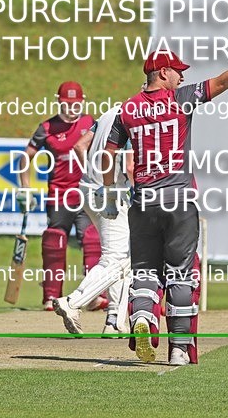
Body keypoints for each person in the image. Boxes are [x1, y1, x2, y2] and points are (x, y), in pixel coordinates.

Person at [99, 48, 228, 365]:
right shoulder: (181, 98)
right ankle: (178, 349)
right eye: (177, 70)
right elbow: (224, 82)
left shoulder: (127, 109)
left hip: (143, 202)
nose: (182, 75)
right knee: (181, 274)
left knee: (145, 272)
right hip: (179, 201)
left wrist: (108, 192)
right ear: (162, 72)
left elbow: (108, 154)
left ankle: (142, 317)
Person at [16, 81, 104, 311]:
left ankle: (94, 295)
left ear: (82, 102)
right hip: (59, 196)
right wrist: (25, 188)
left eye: (75, 104)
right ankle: (51, 296)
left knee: (93, 240)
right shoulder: (47, 128)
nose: (71, 108)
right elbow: (25, 157)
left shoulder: (90, 123)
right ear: (59, 102)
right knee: (55, 241)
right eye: (67, 104)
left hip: (85, 194)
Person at [51, 103, 134, 335]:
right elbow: (129, 165)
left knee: (121, 256)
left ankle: (114, 322)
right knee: (118, 257)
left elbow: (80, 145)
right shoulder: (137, 112)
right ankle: (73, 301)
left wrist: (90, 172)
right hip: (113, 192)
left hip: (88, 189)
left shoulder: (110, 112)